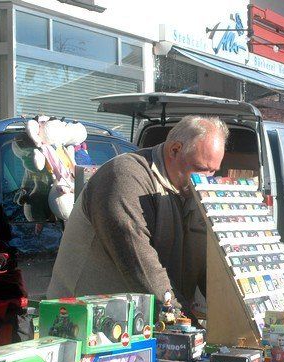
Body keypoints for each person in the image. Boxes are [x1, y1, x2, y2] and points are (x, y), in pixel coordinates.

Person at [47, 116, 229, 316]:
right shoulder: (124, 176)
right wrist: (184, 321)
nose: (207, 180)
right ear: (175, 150)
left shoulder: (187, 190)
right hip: (79, 322)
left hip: (138, 321)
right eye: (202, 170)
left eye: (213, 171)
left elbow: (207, 267)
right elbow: (142, 268)